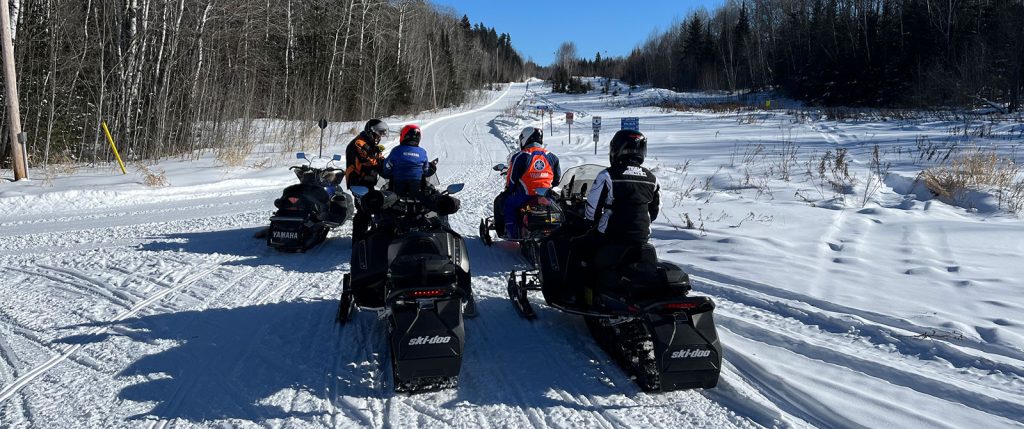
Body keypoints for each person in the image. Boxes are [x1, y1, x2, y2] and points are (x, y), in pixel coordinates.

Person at [565, 129, 661, 305]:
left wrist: (590, 223)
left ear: (616, 149)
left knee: (576, 246)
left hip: (612, 236)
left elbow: (592, 211)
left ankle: (572, 295)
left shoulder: (608, 175)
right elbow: (653, 213)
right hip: (641, 238)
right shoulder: (652, 178)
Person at [497, 126, 561, 239]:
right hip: (546, 196)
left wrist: (509, 190)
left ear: (525, 138)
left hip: (525, 196)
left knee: (508, 204)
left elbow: (511, 180)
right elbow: (557, 179)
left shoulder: (521, 156)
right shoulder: (552, 157)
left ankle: (513, 233)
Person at [346, 119, 389, 242]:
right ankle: (358, 242)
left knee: (373, 205)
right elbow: (369, 160)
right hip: (358, 181)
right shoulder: (359, 143)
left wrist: (390, 164)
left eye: (382, 133)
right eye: (379, 133)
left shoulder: (369, 143)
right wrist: (381, 163)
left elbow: (378, 157)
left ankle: (370, 234)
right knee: (363, 211)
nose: (380, 136)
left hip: (367, 180)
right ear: (371, 132)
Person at [381, 124, 436, 198]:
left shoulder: (396, 150)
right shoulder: (422, 152)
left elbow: (387, 168)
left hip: (397, 190)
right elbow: (426, 170)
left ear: (404, 136)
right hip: (416, 190)